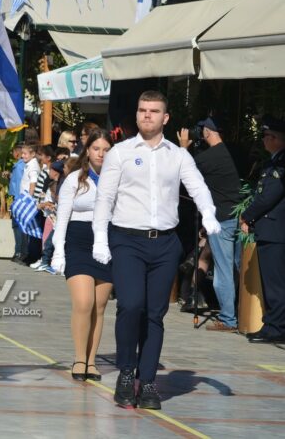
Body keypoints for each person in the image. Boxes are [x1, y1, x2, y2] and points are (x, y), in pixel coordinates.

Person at [92, 90, 221, 410]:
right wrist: (100, 239)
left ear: (165, 117)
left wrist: (208, 214)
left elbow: (198, 187)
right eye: (142, 110)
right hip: (127, 239)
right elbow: (104, 198)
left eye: (153, 110)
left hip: (164, 243)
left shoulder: (178, 155)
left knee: (154, 313)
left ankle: (147, 380)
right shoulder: (120, 153)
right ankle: (126, 373)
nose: (147, 115)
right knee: (131, 305)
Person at [52, 130, 114, 381]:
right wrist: (58, 250)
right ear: (87, 150)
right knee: (84, 302)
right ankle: (79, 358)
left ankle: (91, 361)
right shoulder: (75, 178)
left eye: (106, 149)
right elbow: (62, 216)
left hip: (106, 241)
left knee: (99, 306)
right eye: (96, 148)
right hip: (78, 241)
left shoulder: (117, 178)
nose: (101, 154)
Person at [177, 117, 242, 332]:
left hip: (222, 220)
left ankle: (228, 319)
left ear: (207, 132)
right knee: (234, 268)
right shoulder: (230, 152)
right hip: (235, 216)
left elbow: (184, 171)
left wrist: (183, 148)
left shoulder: (210, 156)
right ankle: (240, 314)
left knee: (223, 272)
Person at [241, 116, 285, 344]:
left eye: (268, 136)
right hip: (270, 229)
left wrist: (247, 215)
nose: (264, 140)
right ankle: (273, 324)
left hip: (276, 231)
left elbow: (269, 196)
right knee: (272, 282)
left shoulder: (281, 164)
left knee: (275, 283)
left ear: (277, 139)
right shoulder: (272, 162)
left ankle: (276, 328)